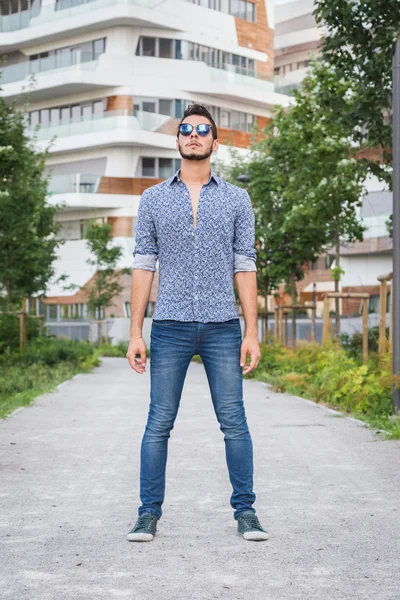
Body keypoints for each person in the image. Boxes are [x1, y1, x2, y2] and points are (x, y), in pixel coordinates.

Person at [125, 104, 268, 543]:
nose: (193, 135)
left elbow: (245, 265)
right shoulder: (152, 199)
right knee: (159, 422)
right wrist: (136, 333)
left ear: (214, 141)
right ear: (177, 140)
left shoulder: (236, 199)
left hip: (224, 325)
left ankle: (246, 513)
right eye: (186, 129)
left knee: (234, 421)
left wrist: (251, 331)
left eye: (202, 130)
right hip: (169, 325)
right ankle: (148, 514)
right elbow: (144, 266)